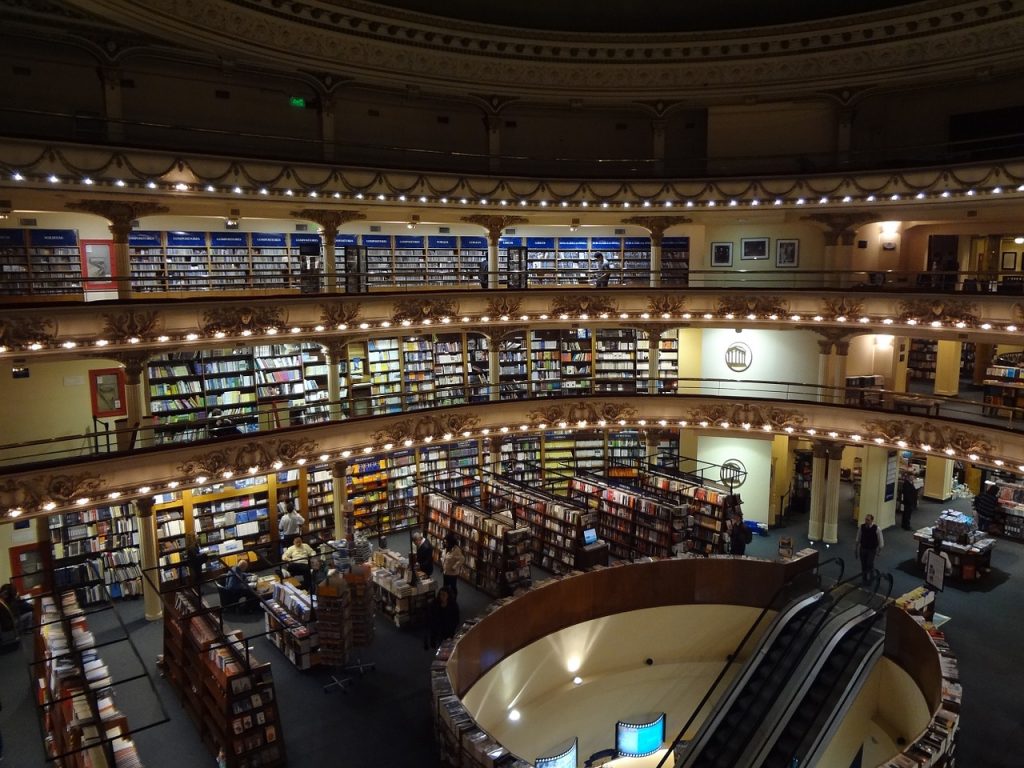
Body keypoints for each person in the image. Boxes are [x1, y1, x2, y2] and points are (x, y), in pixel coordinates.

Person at [855, 513, 885, 583]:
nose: (866, 521)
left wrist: (879, 551)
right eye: (865, 519)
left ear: (872, 521)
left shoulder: (877, 529)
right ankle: (864, 578)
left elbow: (881, 542)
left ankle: (871, 578)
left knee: (869, 564)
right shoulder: (861, 527)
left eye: (868, 520)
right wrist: (856, 549)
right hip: (863, 548)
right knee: (863, 564)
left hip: (871, 550)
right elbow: (858, 538)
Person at [441, 533, 465, 599]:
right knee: (445, 587)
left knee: (453, 588)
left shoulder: (456, 550)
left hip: (452, 573)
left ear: (450, 542)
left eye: (446, 542)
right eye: (444, 542)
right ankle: (446, 599)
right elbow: (444, 557)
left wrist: (454, 566)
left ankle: (453, 601)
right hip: (445, 571)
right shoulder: (446, 548)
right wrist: (442, 565)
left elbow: (462, 559)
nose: (444, 543)